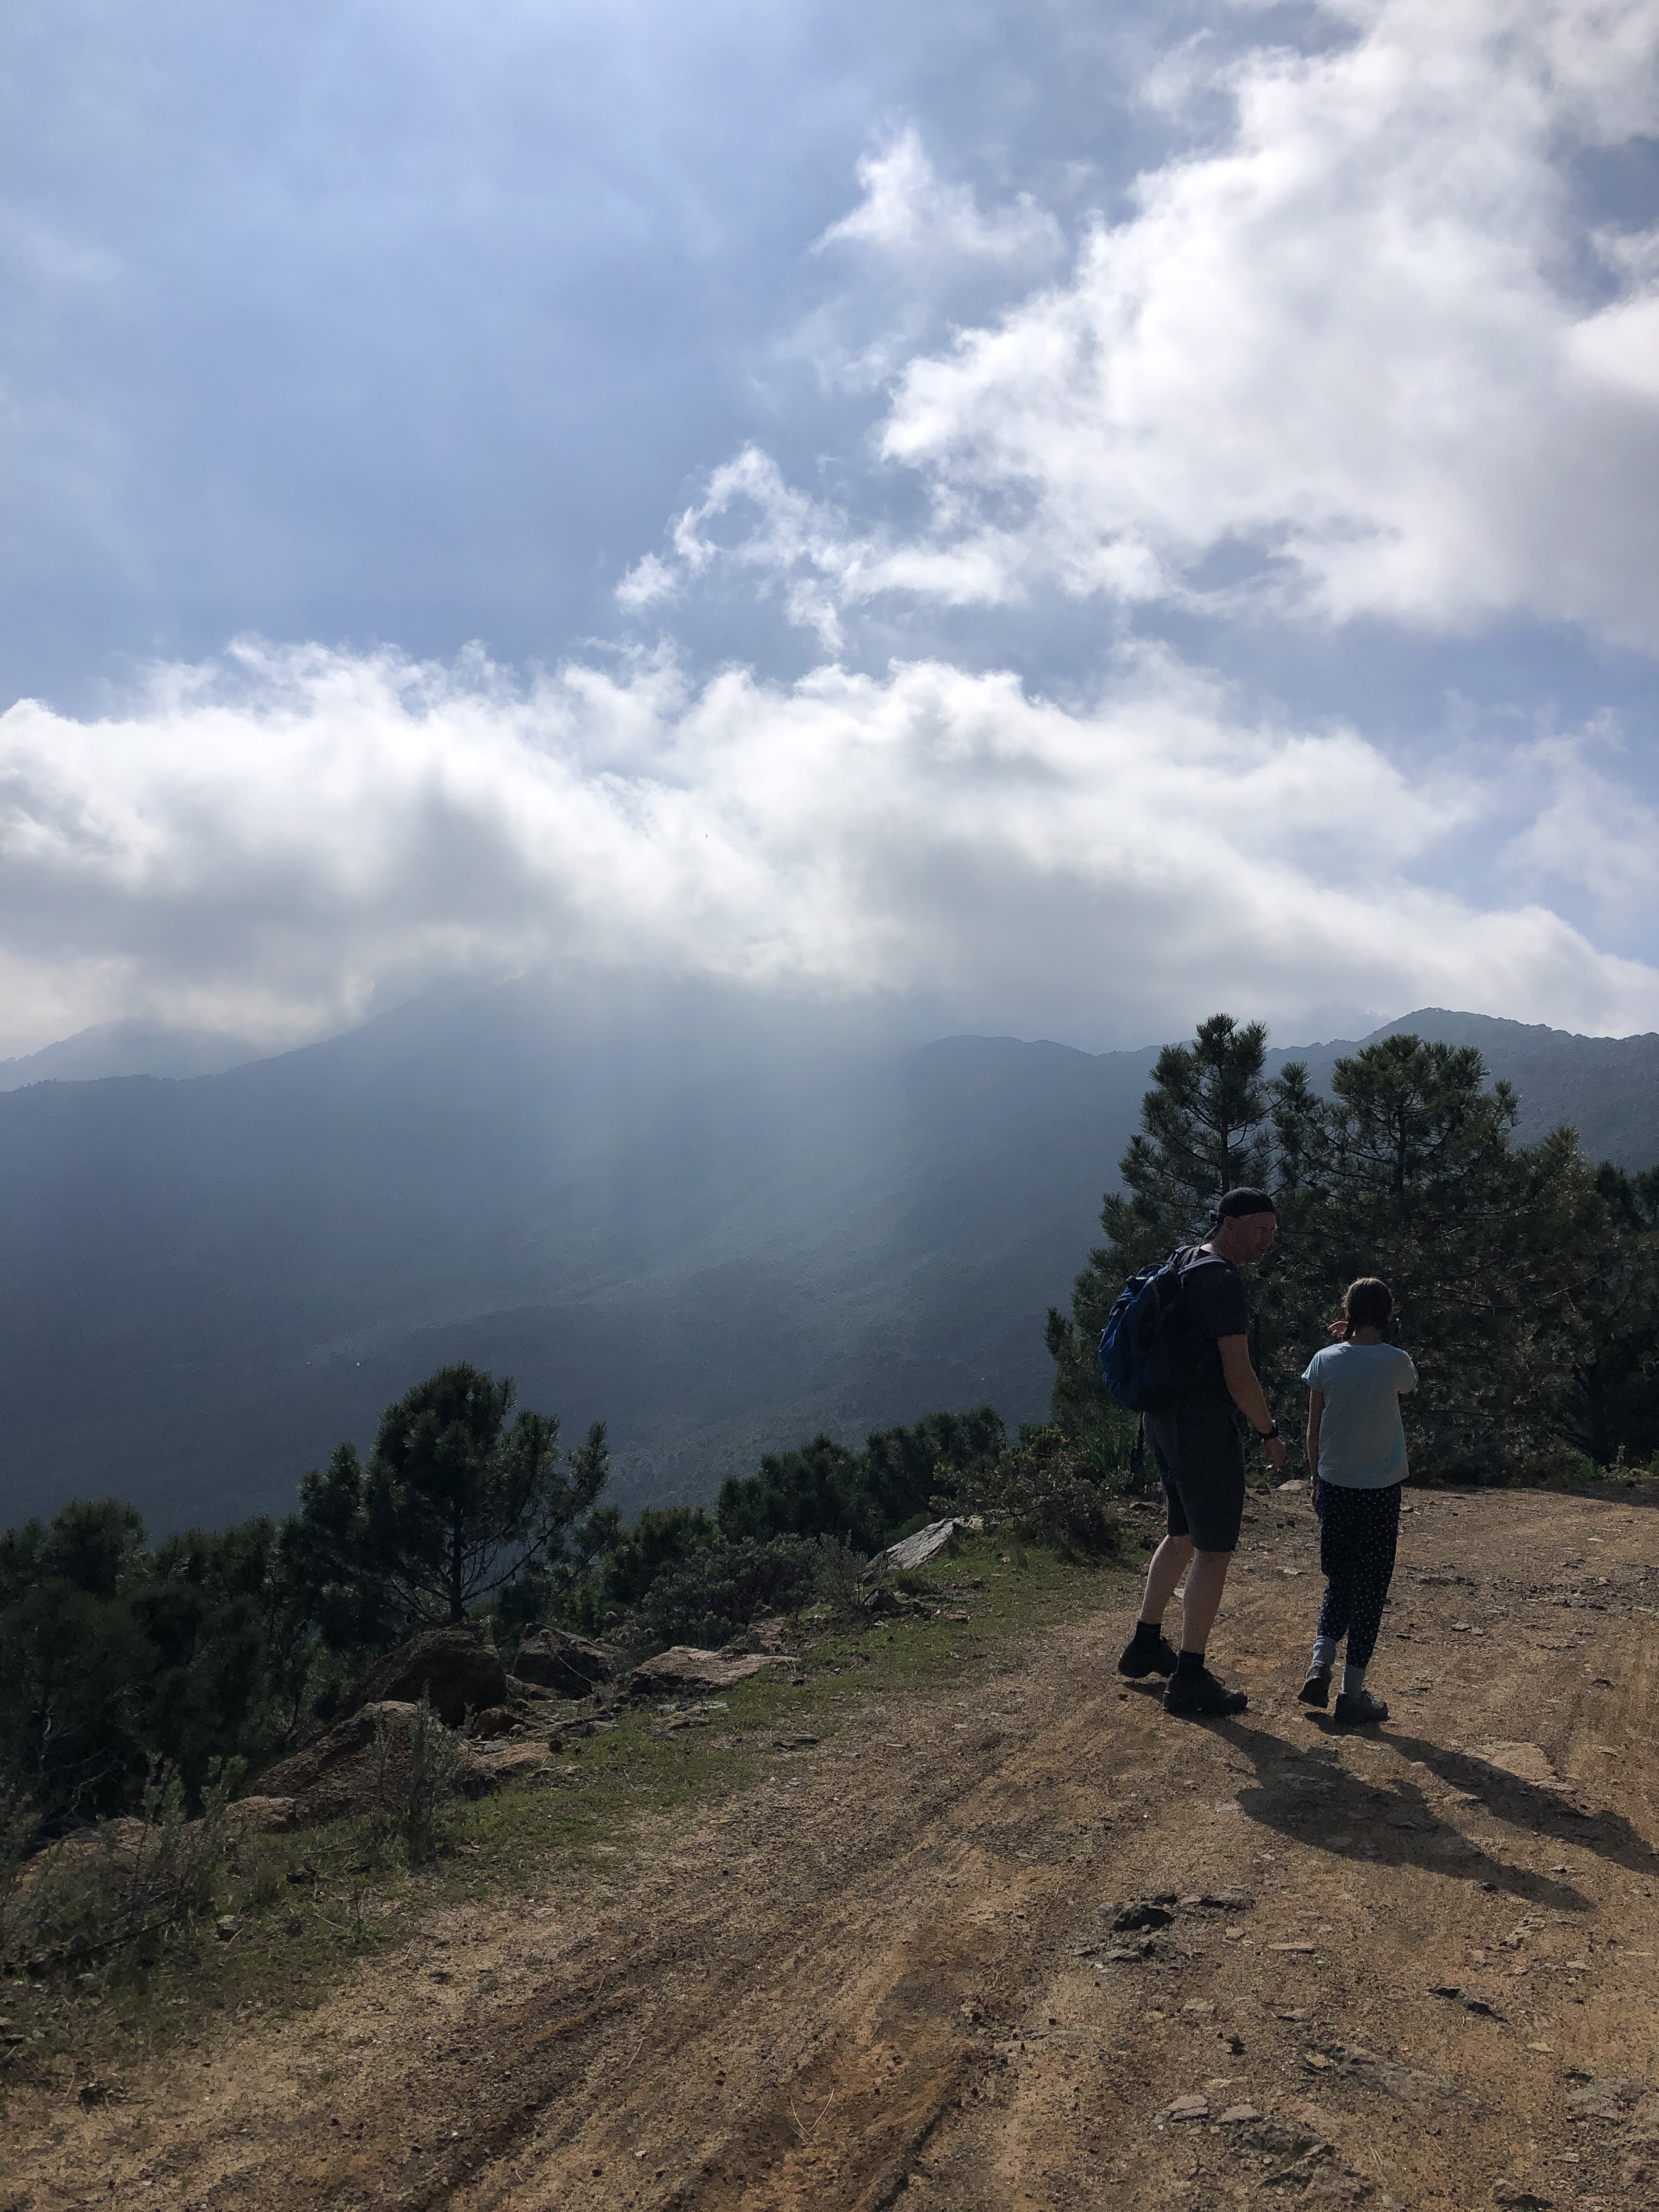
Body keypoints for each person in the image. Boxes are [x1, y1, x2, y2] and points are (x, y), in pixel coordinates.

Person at [1117, 1188, 1288, 1716]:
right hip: (1201, 1427)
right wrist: (1268, 1431)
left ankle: (1146, 1643)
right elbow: (1238, 1374)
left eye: (1272, 1233)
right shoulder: (1223, 1281)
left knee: (1182, 1534)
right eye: (1259, 1230)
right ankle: (1190, 1676)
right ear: (1230, 1223)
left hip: (1162, 1419)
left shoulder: (1187, 1260)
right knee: (1213, 1550)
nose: (1266, 1241)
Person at [1297, 1276, 1418, 1725]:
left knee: (1340, 1579)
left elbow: (1313, 1428)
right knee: (1371, 1588)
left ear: (1346, 1313)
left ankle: (1320, 1662)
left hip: (1334, 1484)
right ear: (1388, 1315)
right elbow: (1407, 1385)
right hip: (1381, 1492)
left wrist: (1316, 1480)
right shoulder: (1397, 1362)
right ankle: (1352, 1693)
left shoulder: (1324, 1360)